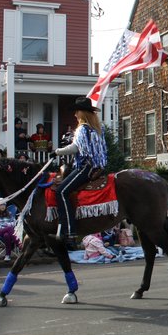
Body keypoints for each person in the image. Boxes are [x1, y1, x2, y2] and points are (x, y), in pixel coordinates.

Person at [54, 97, 108, 243]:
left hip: (85, 167)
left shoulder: (82, 129)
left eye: (77, 112)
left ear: (83, 113)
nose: (75, 115)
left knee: (62, 191)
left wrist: (57, 152)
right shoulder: (98, 128)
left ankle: (69, 229)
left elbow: (75, 148)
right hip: (98, 167)